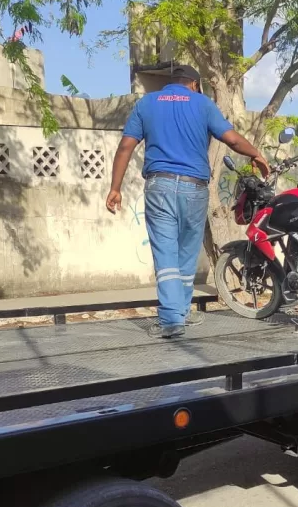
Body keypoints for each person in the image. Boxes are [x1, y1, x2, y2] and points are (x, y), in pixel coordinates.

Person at [106, 65, 270, 339]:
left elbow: (126, 146)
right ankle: (178, 314)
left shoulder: (147, 103)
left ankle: (173, 319)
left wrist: (115, 188)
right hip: (196, 188)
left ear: (172, 83)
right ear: (194, 84)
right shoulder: (203, 104)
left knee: (166, 253)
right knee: (186, 253)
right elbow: (231, 139)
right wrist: (256, 155)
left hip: (161, 186)